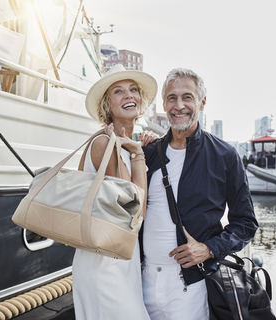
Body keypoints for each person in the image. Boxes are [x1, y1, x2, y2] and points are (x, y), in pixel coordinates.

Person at [141, 68, 258, 319]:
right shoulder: (149, 153)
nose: (179, 105)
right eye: (172, 98)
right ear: (163, 103)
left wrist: (209, 248)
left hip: (190, 285)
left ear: (202, 102)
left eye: (187, 97)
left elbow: (246, 223)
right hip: (142, 281)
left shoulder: (225, 156)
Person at [72, 64, 158, 320]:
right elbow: (135, 214)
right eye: (119, 92)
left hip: (119, 263)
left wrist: (139, 150)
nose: (129, 95)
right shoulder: (104, 144)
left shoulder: (122, 145)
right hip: (104, 267)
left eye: (133, 90)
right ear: (107, 105)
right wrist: (138, 154)